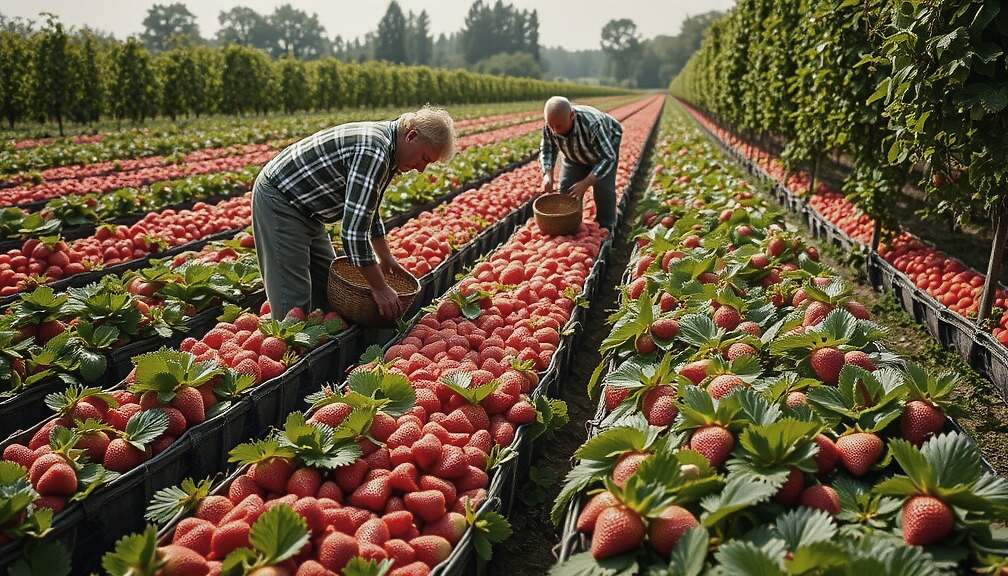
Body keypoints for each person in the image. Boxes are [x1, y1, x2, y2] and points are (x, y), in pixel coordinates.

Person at [252, 105, 456, 321]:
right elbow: (353, 234)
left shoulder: (389, 149)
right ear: (412, 135)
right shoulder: (374, 151)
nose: (421, 168)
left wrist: (386, 258)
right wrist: (380, 288)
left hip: (309, 209)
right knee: (292, 299)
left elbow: (369, 209)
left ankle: (326, 346)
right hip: (281, 200)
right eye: (424, 158)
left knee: (330, 289)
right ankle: (289, 344)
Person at [539, 96, 622, 230]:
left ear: (572, 115)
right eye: (551, 125)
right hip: (574, 154)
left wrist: (586, 182)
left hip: (604, 149)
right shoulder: (552, 123)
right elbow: (547, 149)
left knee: (603, 189)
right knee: (567, 190)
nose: (554, 130)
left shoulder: (593, 124)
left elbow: (608, 158)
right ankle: (571, 226)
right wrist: (547, 175)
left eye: (558, 126)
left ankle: (607, 226)